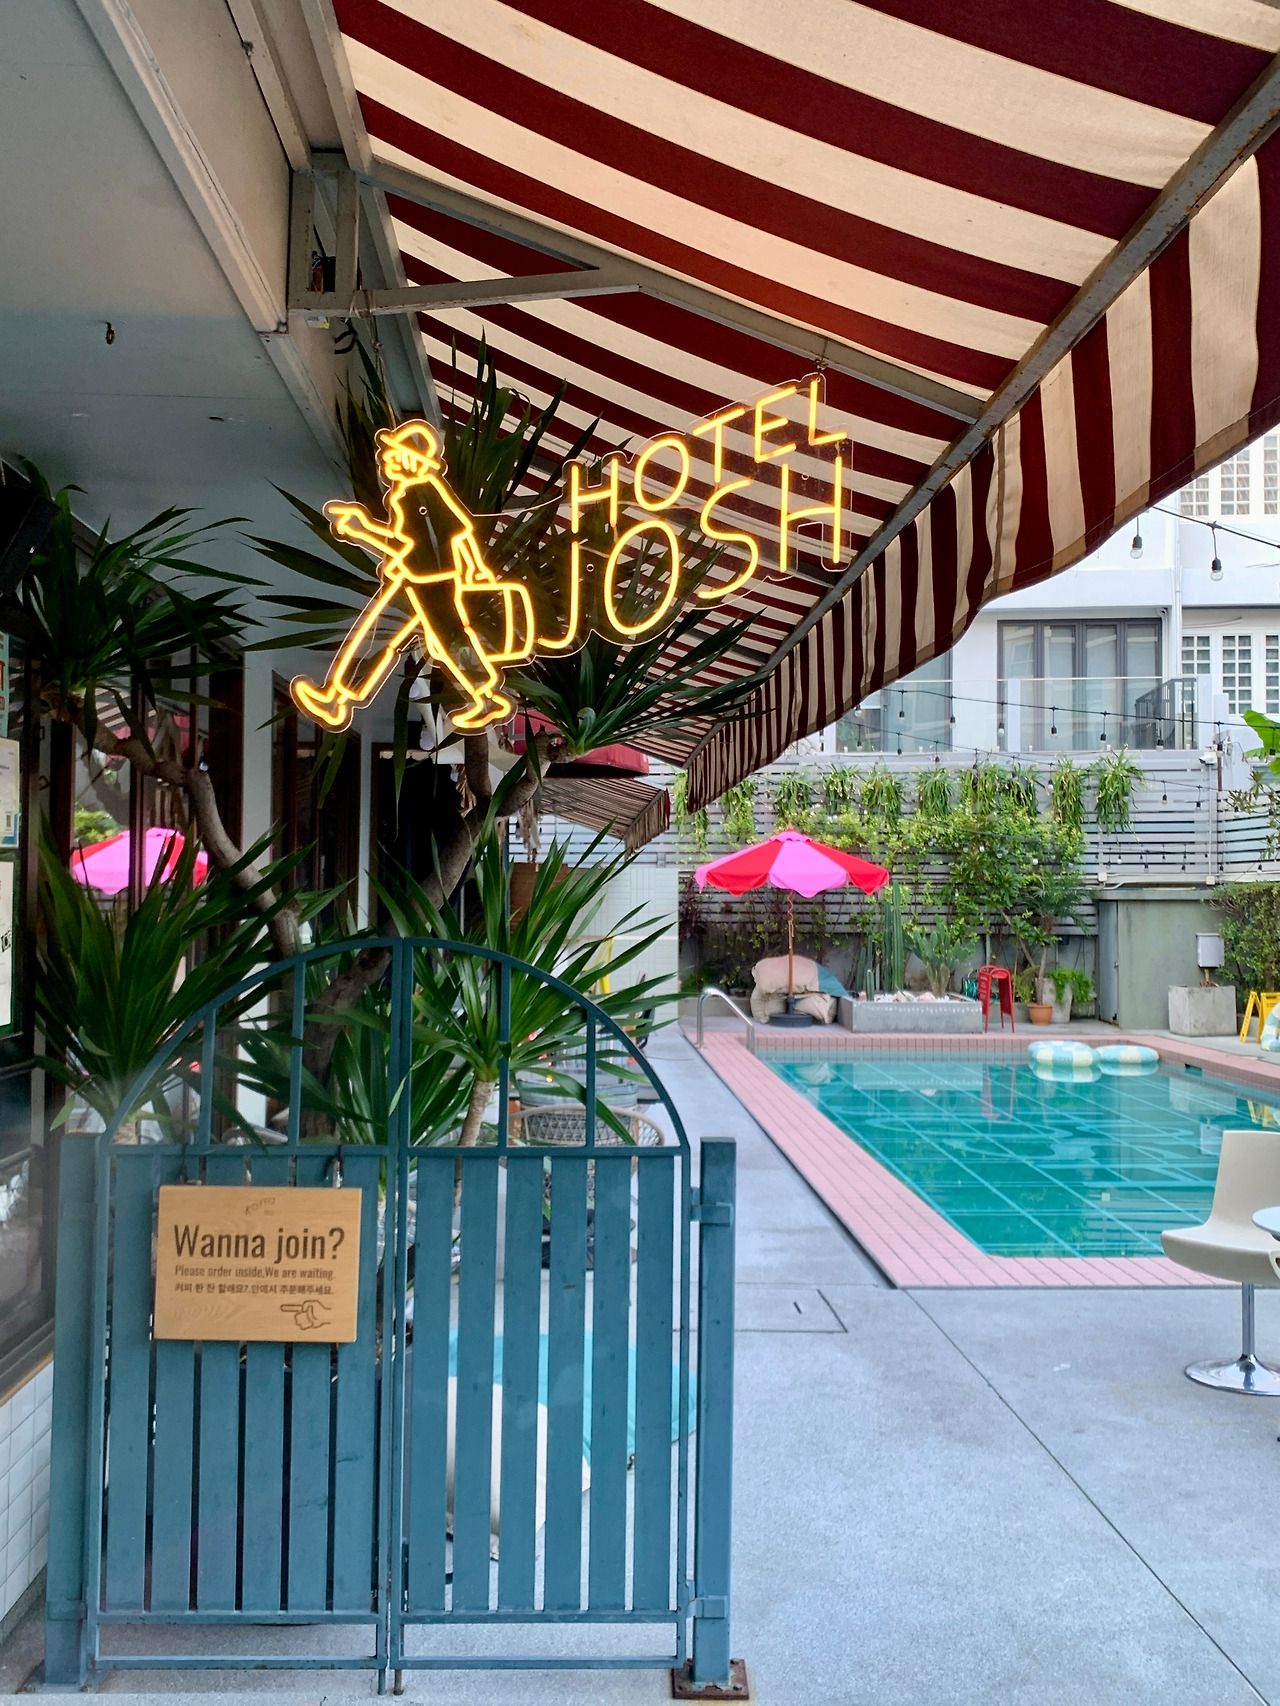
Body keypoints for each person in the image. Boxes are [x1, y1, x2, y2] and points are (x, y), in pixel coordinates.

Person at [292, 421, 534, 732]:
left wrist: (363, 530)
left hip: (431, 583)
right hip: (416, 580)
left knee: (439, 641)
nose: (388, 463)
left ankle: (486, 699)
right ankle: (337, 697)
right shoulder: (408, 494)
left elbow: (420, 545)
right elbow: (426, 538)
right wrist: (366, 529)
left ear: (414, 460)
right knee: (397, 638)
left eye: (395, 456)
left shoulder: (423, 492)